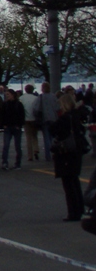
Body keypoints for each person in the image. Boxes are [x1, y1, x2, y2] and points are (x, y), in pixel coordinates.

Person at [50, 93, 88, 222]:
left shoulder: (65, 119)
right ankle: (80, 209)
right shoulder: (76, 116)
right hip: (76, 151)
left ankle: (73, 212)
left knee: (68, 184)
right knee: (75, 181)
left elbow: (54, 130)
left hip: (67, 153)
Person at [0, 88, 25, 170]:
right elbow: (2, 115)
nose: (7, 96)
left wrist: (19, 125)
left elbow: (22, 115)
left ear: (13, 95)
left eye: (8, 94)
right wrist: (3, 124)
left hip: (15, 126)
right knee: (6, 145)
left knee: (17, 146)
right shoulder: (5, 104)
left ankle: (18, 163)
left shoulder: (18, 104)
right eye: (6, 95)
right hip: (8, 126)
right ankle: (4, 162)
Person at [19, 84, 41, 162]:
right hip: (34, 119)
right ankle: (36, 149)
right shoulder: (36, 98)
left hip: (26, 119)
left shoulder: (21, 98)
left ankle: (30, 156)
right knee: (34, 136)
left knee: (28, 138)